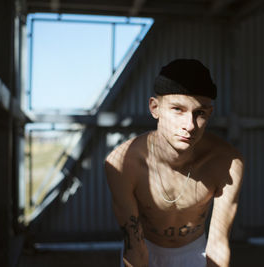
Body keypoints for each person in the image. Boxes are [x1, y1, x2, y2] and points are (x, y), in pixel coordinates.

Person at [105, 59, 244, 267]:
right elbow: (135, 248)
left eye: (200, 113)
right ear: (155, 108)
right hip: (145, 249)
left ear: (210, 114)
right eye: (178, 109)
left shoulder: (227, 162)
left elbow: (218, 244)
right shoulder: (124, 164)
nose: (189, 125)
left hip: (196, 253)